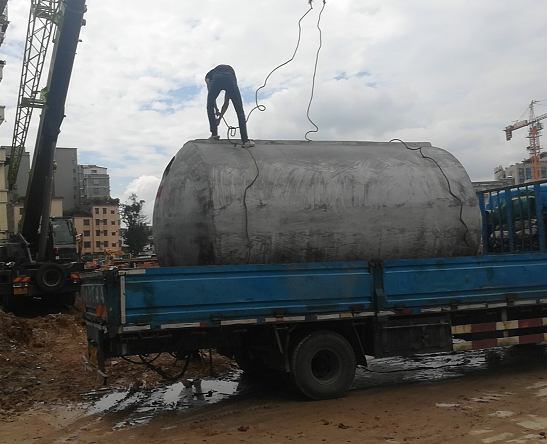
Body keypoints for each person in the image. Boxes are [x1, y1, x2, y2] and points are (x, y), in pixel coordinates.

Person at [205, 64, 255, 148]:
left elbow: (211, 99)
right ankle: (245, 141)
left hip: (219, 77)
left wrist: (217, 112)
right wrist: (219, 114)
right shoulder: (230, 76)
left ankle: (214, 134)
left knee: (209, 105)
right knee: (239, 111)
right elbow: (226, 102)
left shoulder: (208, 76)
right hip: (230, 77)